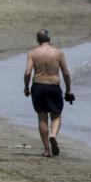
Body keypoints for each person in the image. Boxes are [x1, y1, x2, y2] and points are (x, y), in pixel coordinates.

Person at [23, 29, 73, 158]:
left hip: (38, 87)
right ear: (50, 39)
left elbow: (28, 72)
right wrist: (68, 90)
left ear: (38, 40)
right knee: (56, 115)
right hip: (53, 86)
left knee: (42, 116)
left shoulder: (33, 53)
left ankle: (47, 150)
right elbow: (66, 73)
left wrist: (26, 87)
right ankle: (53, 135)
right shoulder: (58, 53)